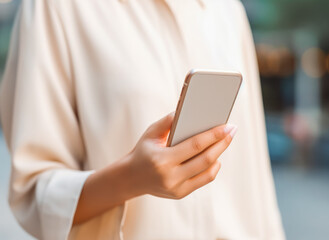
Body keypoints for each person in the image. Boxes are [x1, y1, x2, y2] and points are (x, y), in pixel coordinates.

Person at [0, 0, 285, 239]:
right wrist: (130, 178)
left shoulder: (227, 9)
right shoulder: (57, 6)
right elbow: (34, 192)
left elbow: (257, 182)